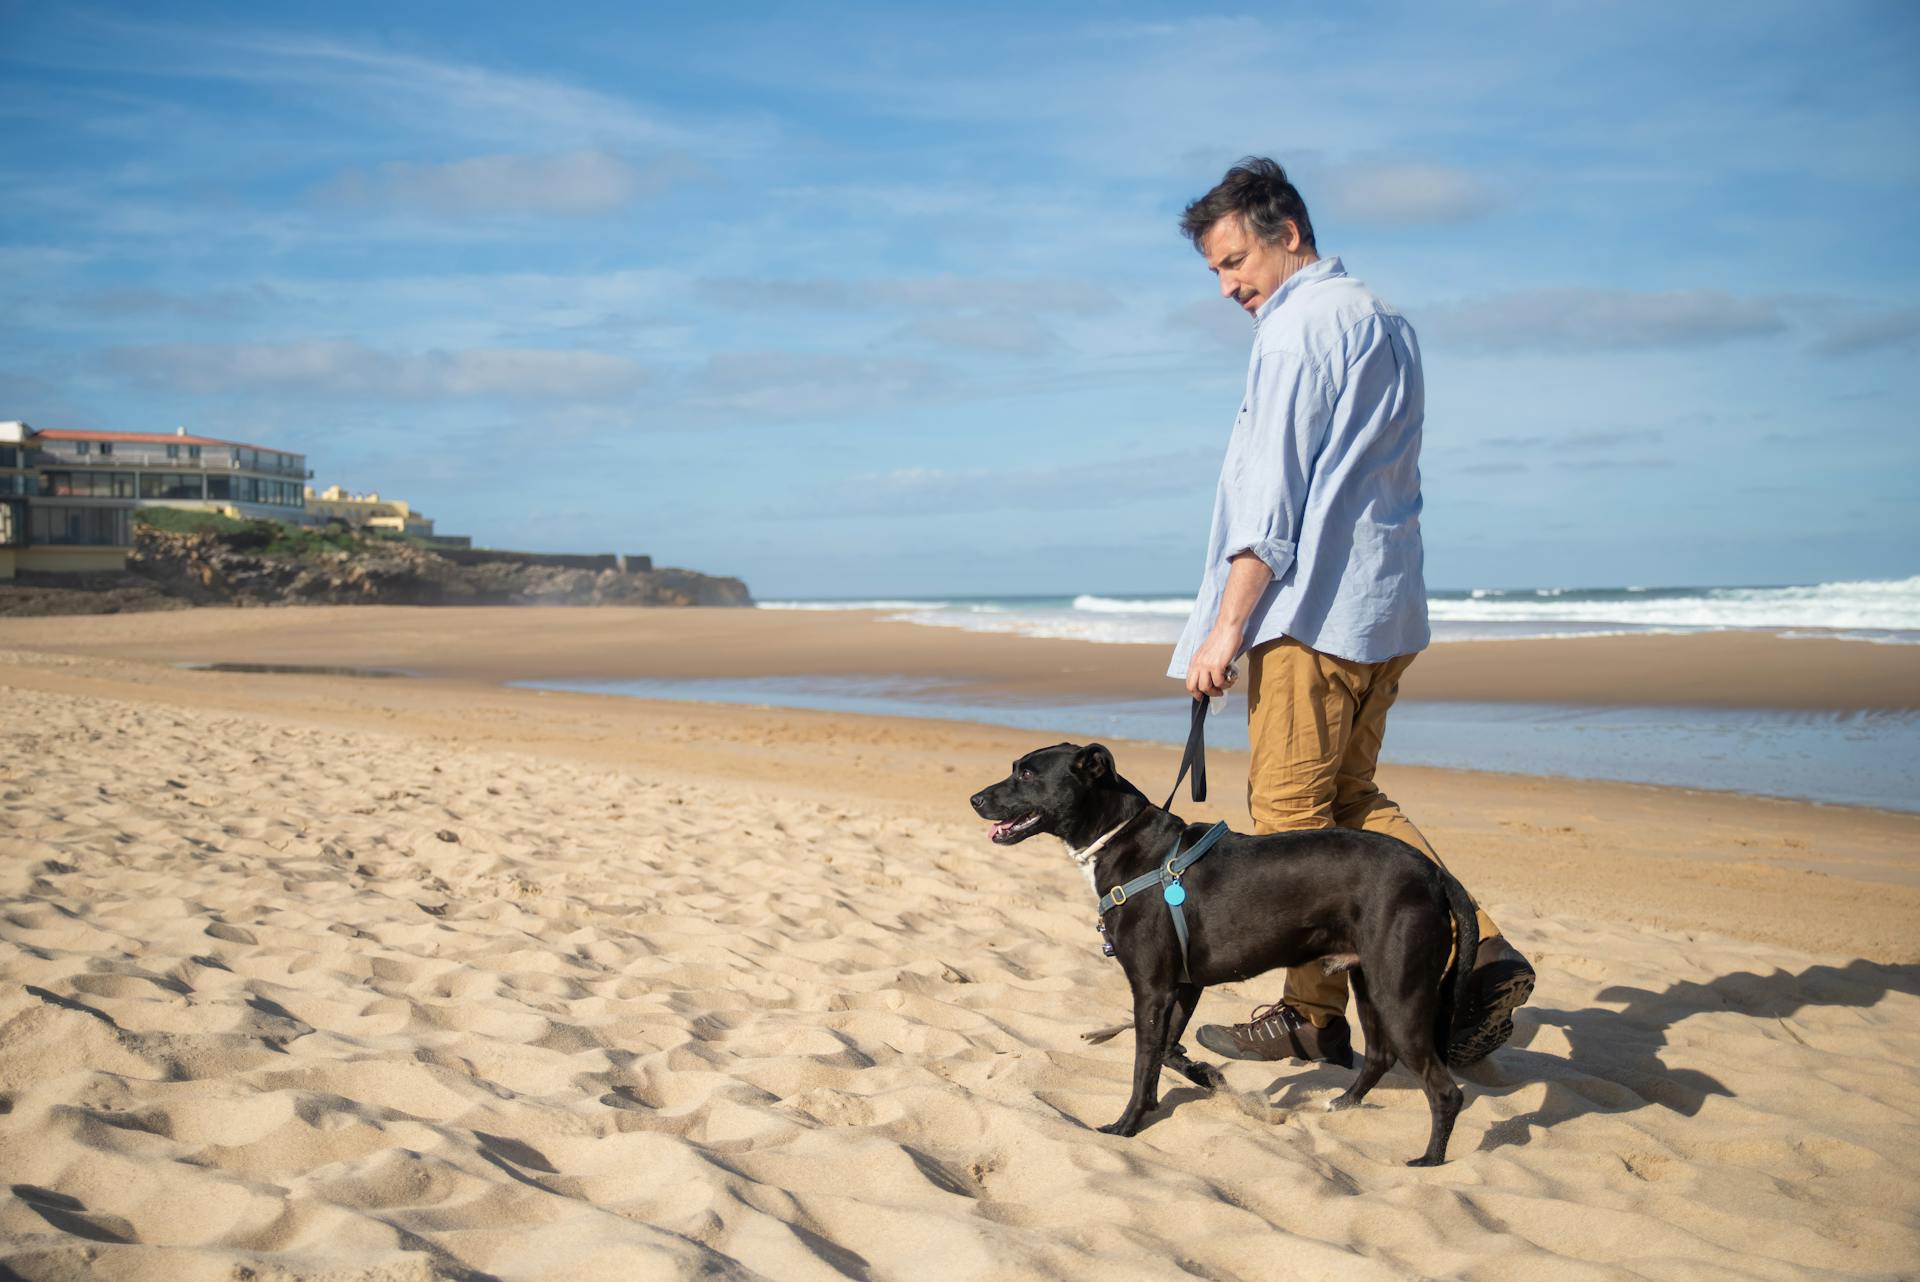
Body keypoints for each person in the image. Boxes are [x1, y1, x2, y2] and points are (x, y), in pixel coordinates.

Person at [1168, 157, 1534, 1067]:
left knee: (1290, 810)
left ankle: (1320, 1010)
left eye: (1233, 260)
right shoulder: (1384, 321)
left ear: (1287, 232)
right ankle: (1473, 947)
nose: (1226, 286)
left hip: (1315, 612)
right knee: (1348, 800)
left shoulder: (1299, 331)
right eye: (1214, 270)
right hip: (1384, 605)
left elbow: (1274, 501)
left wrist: (1228, 625)